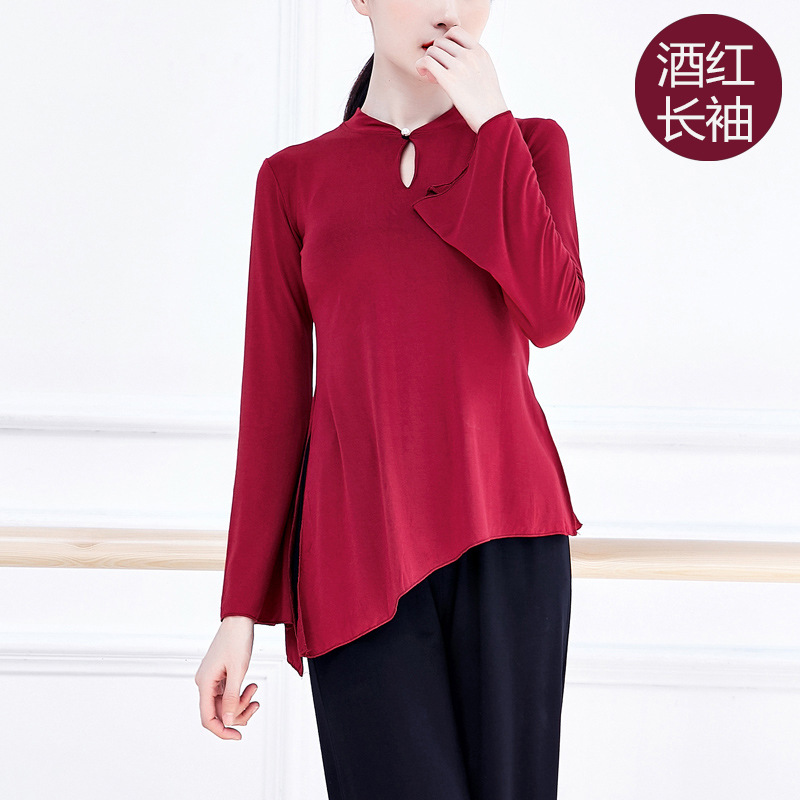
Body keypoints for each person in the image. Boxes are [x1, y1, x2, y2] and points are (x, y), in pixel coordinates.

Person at [196, 0, 586, 797]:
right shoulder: (294, 180)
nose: (448, 10)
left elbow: (553, 314)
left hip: (509, 537)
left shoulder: (529, 146)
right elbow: (273, 406)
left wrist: (491, 123)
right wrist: (239, 612)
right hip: (354, 557)